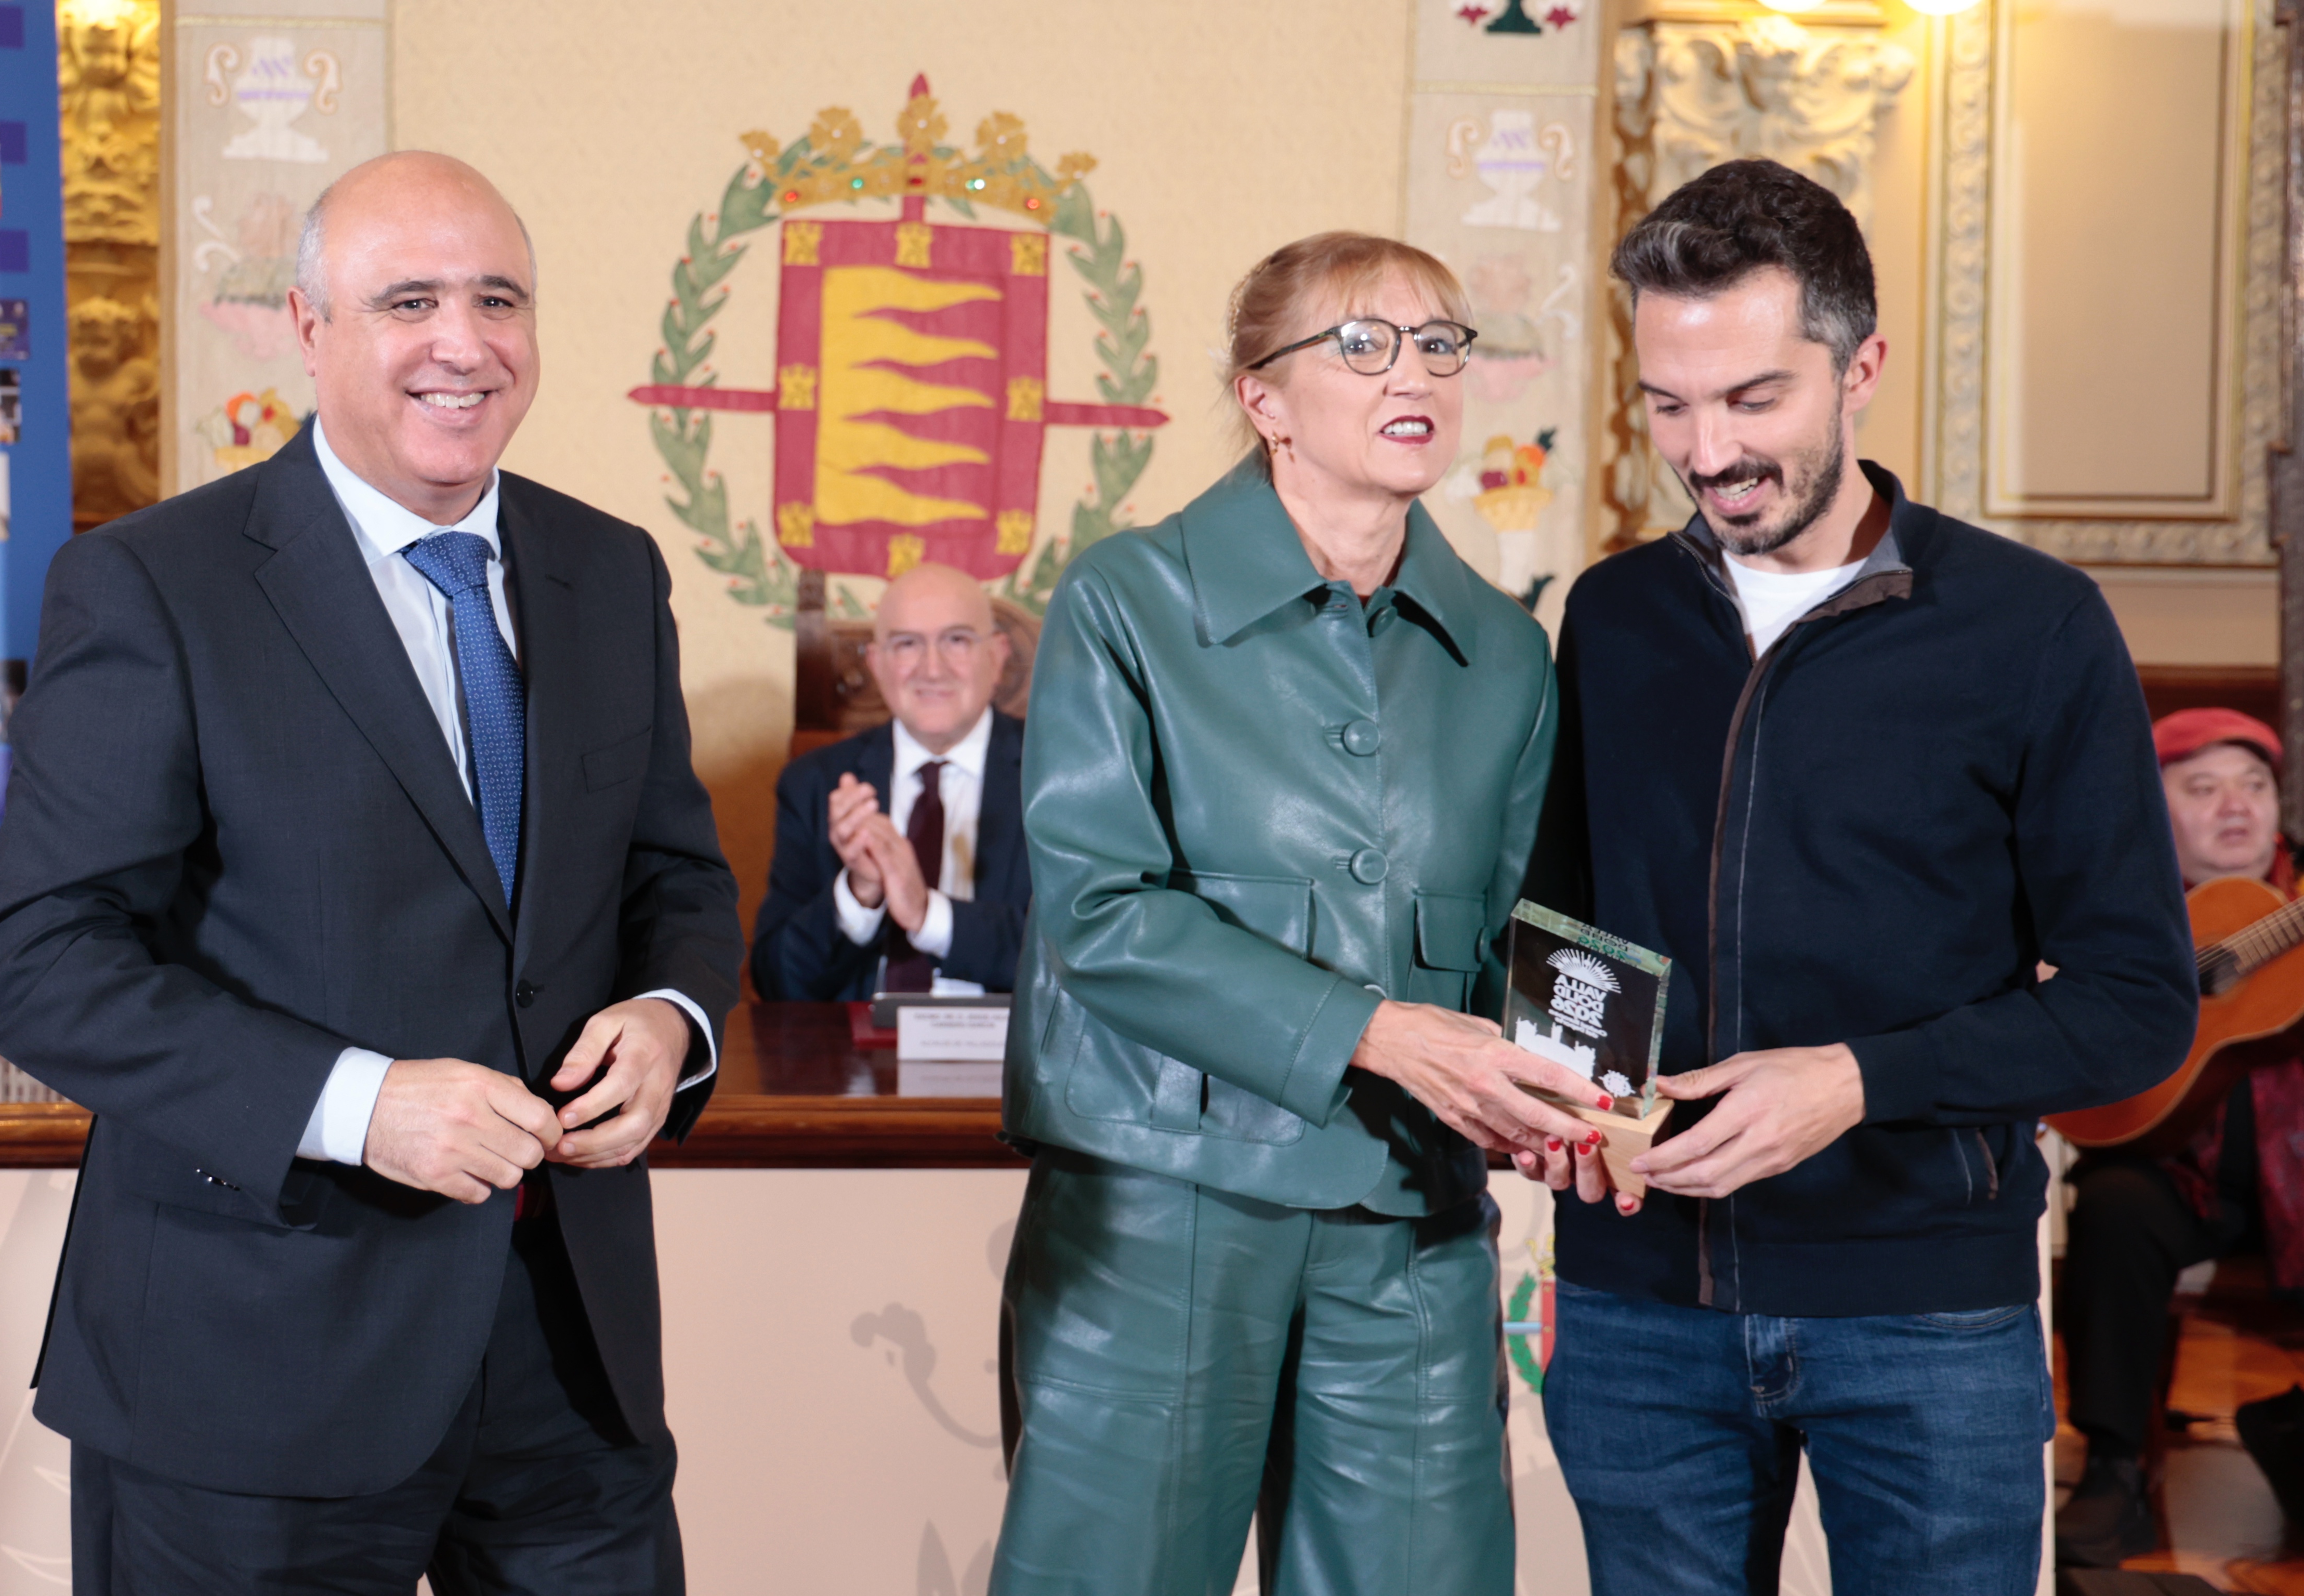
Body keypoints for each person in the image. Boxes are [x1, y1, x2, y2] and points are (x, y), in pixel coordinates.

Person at [0, 151, 743, 1594]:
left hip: (568, 1358)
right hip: (249, 1367)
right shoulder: (152, 582)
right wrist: (357, 1100)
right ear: (309, 329)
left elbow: (674, 876)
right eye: (409, 299)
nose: (465, 340)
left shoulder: (610, 569)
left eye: (496, 297)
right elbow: (37, 958)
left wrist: (670, 1018)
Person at [1523, 158, 2196, 1594]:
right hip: (1637, 1310)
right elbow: (1561, 929)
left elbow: (2135, 1003)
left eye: (1751, 397)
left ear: (1859, 367)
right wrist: (1553, 1097)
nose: (1705, 451)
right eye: (1668, 403)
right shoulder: (1612, 615)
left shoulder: (2031, 627)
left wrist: (1850, 1079)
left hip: (1926, 1317)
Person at [991, 231, 1609, 1596]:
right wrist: (1375, 1029)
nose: (1417, 372)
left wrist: (1581, 1094)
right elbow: (1098, 912)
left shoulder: (1502, 648)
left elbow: (1522, 932)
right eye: (1363, 341)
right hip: (1158, 1203)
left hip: (1412, 1210)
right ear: (1261, 396)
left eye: (1441, 342)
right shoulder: (1127, 597)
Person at [2057, 707, 2304, 1566]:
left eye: (2256, 784)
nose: (2236, 806)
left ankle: (2291, 1418)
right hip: (2182, 1178)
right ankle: (2114, 1470)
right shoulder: (2110, 910)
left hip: (2298, 1183)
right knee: (2113, 1207)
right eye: (2202, 788)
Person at [750, 559, 1027, 999]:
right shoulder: (816, 783)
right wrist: (859, 893)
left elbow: (1083, 960)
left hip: (1011, 1058)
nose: (932, 669)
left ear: (996, 656)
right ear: (877, 664)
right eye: (907, 644)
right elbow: (779, 983)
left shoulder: (1058, 779)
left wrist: (927, 915)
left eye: (956, 640)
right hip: (855, 1058)